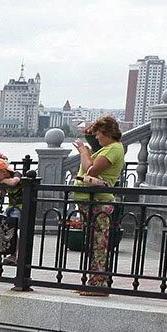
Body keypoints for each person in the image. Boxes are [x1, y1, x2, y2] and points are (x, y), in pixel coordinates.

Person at [72, 115, 125, 296]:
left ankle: (98, 284)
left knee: (99, 243)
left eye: (98, 134)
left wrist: (83, 151)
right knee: (94, 243)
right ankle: (93, 281)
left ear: (107, 132)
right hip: (91, 200)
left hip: (99, 202)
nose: (96, 138)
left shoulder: (113, 149)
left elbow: (90, 170)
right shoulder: (109, 148)